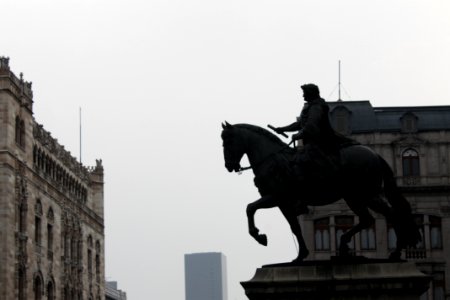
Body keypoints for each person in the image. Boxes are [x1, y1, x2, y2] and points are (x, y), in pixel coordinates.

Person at [274, 84, 356, 184]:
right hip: (313, 142)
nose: (303, 96)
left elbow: (311, 125)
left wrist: (299, 135)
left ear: (310, 93)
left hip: (320, 142)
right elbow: (300, 124)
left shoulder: (317, 106)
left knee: (303, 160)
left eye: (304, 94)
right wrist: (282, 129)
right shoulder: (310, 106)